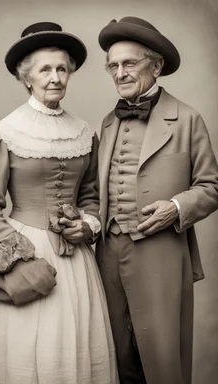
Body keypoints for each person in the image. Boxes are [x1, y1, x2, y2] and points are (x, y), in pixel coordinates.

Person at [0, 22, 118, 384]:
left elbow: (91, 196)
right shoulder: (5, 132)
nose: (55, 77)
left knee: (78, 348)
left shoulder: (84, 133)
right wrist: (21, 261)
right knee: (28, 351)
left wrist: (86, 224)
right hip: (26, 252)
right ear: (27, 77)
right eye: (45, 69)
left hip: (76, 257)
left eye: (62, 69)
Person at [96, 16, 218, 384]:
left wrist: (176, 207)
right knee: (117, 356)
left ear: (156, 65)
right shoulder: (107, 122)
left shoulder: (188, 120)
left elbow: (211, 187)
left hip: (161, 254)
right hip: (106, 255)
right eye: (113, 66)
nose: (119, 73)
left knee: (163, 361)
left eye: (129, 63)